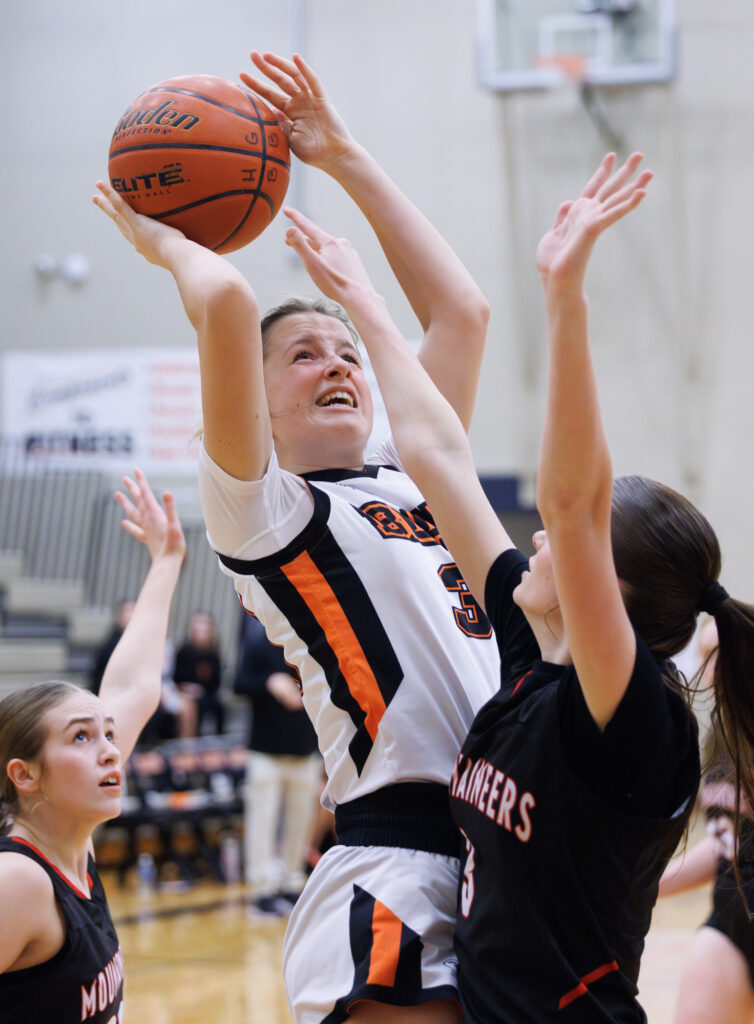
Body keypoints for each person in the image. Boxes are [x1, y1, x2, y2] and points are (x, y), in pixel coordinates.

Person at [280, 151, 754, 1021]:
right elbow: (436, 456)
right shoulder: (530, 649)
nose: (533, 538)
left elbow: (571, 503)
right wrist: (369, 311)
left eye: (566, 543)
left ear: (598, 582)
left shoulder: (633, 717)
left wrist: (565, 298)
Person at [94, 50, 500, 1024]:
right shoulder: (270, 514)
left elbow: (463, 312)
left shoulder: (413, 469)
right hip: (397, 863)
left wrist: (345, 154)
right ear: (255, 413)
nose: (339, 365)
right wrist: (161, 245)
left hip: (504, 847)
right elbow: (230, 304)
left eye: (350, 353)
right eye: (304, 355)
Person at [0, 469, 186, 1023]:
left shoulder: (67, 841)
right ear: (25, 774)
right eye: (82, 737)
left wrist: (167, 559)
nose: (110, 750)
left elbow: (132, 688)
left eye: (109, 733)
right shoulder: (20, 880)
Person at [659, 617, 754, 1023]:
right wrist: (645, 886)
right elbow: (725, 842)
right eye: (709, 653)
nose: (714, 664)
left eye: (725, 652)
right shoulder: (718, 734)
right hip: (732, 922)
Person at [233, 609, 321, 917]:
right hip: (265, 752)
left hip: (304, 751)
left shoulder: (314, 646)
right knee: (263, 821)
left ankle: (291, 882)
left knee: (300, 822)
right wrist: (269, 683)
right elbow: (238, 684)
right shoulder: (261, 644)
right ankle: (263, 888)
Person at [173, 609, 226, 735]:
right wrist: (187, 688)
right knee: (190, 706)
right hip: (185, 694)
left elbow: (216, 682)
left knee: (219, 707)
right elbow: (176, 677)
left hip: (206, 694)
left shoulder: (213, 653)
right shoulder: (184, 651)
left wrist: (202, 691)